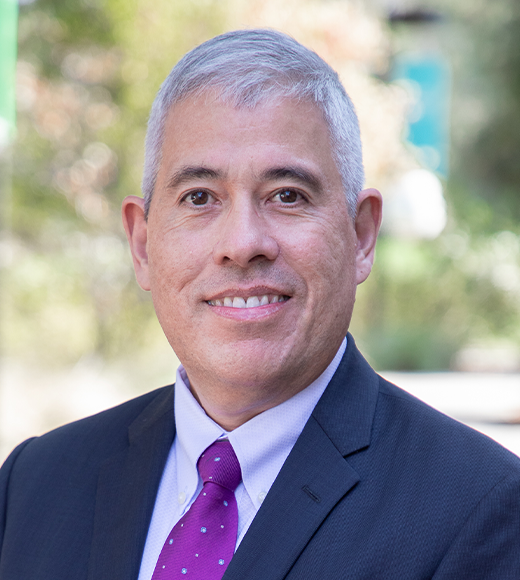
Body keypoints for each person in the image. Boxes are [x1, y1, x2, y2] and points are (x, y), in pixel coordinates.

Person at [1, 29, 519, 580]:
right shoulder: (33, 486)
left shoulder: (479, 512)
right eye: (199, 197)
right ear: (143, 243)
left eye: (287, 195)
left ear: (361, 236)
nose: (243, 243)